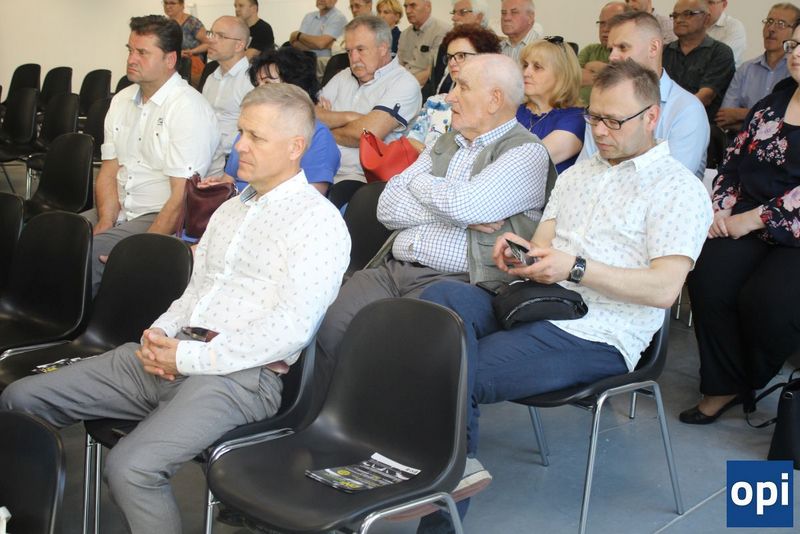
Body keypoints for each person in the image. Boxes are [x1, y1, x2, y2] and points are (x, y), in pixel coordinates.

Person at [0, 83, 351, 534]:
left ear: (295, 147)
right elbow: (194, 294)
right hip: (175, 355)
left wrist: (186, 357)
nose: (238, 146)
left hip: (240, 378)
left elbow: (290, 330)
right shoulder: (230, 211)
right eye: (241, 132)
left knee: (132, 469)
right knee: (20, 399)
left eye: (255, 137)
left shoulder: (318, 223)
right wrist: (160, 334)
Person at [417, 59, 712, 532]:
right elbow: (544, 246)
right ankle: (446, 462)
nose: (601, 131)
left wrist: (575, 268)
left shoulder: (678, 189)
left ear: (652, 117)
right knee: (438, 305)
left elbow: (663, 290)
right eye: (594, 117)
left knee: (455, 370)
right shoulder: (579, 175)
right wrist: (520, 253)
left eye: (614, 120)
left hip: (602, 332)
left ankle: (437, 494)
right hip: (538, 300)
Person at [317, 52, 553, 380]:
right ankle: (323, 408)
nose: (450, 97)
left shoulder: (526, 152)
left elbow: (464, 207)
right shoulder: (447, 141)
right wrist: (454, 209)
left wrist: (423, 185)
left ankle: (377, 411)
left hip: (458, 283)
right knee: (327, 328)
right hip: (394, 270)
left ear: (494, 99)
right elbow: (387, 207)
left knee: (383, 348)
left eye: (462, 87)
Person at [679, 27, 800, 425]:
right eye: (795, 44)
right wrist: (721, 207)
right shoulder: (773, 102)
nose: (796, 53)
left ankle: (749, 378)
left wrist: (756, 218)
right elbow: (732, 159)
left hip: (791, 228)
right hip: (743, 214)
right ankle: (722, 385)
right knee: (709, 278)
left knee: (769, 304)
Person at [86, 15, 219, 296]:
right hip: (119, 209)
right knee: (49, 236)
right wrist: (105, 221)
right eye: (130, 50)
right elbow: (109, 170)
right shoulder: (121, 100)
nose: (131, 59)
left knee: (89, 253)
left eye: (142, 53)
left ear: (170, 60)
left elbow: (181, 197)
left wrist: (140, 251)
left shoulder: (187, 108)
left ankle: (81, 320)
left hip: (158, 215)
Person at [579, 9, 710, 178]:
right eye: (610, 49)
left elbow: (671, 181)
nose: (612, 57)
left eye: (623, 47)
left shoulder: (687, 109)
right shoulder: (603, 106)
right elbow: (583, 171)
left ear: (653, 48)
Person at [214, 47, 340, 196]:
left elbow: (311, 197)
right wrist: (213, 190)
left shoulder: (317, 134)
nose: (258, 90)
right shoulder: (249, 128)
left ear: (295, 87)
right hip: (236, 205)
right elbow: (228, 180)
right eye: (257, 84)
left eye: (267, 83)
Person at [317, 16, 421, 183]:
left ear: (383, 48)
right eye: (349, 51)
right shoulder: (344, 75)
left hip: (361, 178)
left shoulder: (404, 83)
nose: (353, 58)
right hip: (319, 167)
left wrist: (325, 127)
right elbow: (309, 116)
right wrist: (349, 117)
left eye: (360, 49)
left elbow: (366, 135)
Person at [407, 24, 502, 151]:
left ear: (485, 58)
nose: (452, 62)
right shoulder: (435, 103)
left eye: (461, 56)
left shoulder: (493, 107)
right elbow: (411, 141)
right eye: (450, 57)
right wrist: (433, 157)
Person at [716, 3, 799, 133]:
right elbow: (724, 118)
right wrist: (760, 121)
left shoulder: (794, 71)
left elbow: (786, 121)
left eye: (781, 24)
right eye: (769, 21)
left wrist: (740, 114)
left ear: (795, 31)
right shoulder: (746, 69)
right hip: (738, 140)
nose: (771, 28)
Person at [516, 37, 585, 173]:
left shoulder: (576, 119)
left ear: (562, 74)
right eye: (525, 65)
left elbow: (526, 163)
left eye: (537, 67)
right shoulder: (513, 109)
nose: (526, 73)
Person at [662, 0, 735, 120]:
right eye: (675, 15)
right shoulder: (664, 52)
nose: (678, 20)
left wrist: (671, 115)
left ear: (706, 19)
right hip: (660, 119)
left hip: (699, 122)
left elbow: (705, 96)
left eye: (687, 14)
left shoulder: (720, 52)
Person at [202, 16, 254, 176]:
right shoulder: (211, 77)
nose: (211, 40)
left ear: (239, 45)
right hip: (206, 155)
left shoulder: (251, 80)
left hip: (235, 161)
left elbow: (253, 131)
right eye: (211, 33)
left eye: (221, 36)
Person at [426, 0, 491, 98]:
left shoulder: (488, 51)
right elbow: (435, 86)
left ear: (479, 17)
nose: (454, 18)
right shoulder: (445, 46)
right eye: (454, 12)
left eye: (462, 12)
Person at [579, 2, 627, 104]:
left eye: (612, 23)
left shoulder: (631, 53)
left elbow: (624, 84)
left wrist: (597, 72)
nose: (605, 29)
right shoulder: (590, 50)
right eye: (602, 23)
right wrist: (609, 75)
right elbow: (573, 78)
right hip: (579, 109)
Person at [397, 0, 450, 86]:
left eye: (413, 5)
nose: (407, 11)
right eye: (406, 6)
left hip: (424, 87)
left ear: (428, 7)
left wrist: (405, 86)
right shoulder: (404, 34)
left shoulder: (443, 31)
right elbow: (399, 65)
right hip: (403, 83)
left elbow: (433, 72)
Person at [162, 0, 209, 86]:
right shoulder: (163, 24)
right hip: (170, 66)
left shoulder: (192, 23)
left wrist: (192, 51)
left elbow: (208, 43)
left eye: (172, 3)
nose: (168, 6)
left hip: (191, 68)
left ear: (182, 5)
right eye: (166, 3)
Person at [705, 0, 746, 66]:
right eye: (702, 2)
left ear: (724, 4)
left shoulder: (734, 27)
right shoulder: (693, 25)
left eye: (710, 2)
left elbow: (721, 59)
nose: (704, 7)